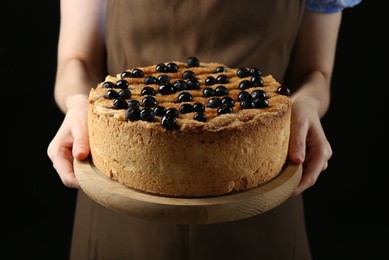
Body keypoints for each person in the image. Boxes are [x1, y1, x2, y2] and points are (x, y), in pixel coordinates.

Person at [47, 0, 361, 259]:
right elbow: (77, 60)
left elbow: (315, 71)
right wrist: (78, 103)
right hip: (118, 210)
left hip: (261, 203)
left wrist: (305, 103)